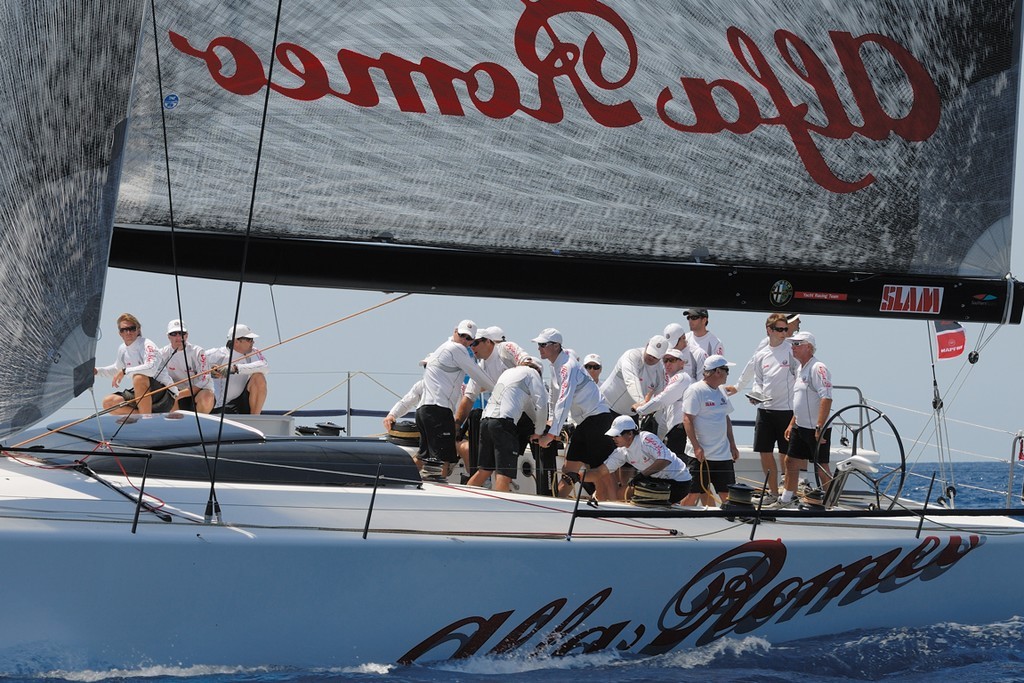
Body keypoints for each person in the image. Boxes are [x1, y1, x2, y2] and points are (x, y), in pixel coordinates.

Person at [532, 327, 617, 501]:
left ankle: (615, 510)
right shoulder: (556, 363)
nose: (539, 348)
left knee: (604, 473)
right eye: (538, 344)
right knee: (568, 470)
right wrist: (549, 421)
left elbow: (564, 401)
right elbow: (553, 398)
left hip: (599, 420)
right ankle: (556, 510)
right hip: (585, 423)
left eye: (543, 344)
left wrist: (551, 434)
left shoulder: (566, 367)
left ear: (556, 346)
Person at [725, 313, 795, 501]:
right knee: (764, 452)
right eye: (780, 329)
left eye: (785, 329)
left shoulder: (791, 351)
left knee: (786, 455)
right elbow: (757, 379)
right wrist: (752, 393)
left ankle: (788, 495)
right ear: (769, 330)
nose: (784, 333)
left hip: (787, 411)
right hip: (765, 410)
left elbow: (802, 377)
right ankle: (772, 494)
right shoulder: (761, 354)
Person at [417, 320, 495, 477]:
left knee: (424, 457)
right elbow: (477, 374)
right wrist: (500, 390)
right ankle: (439, 493)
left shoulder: (444, 348)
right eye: (462, 336)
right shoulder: (456, 349)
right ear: (455, 332)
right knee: (441, 459)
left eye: (469, 339)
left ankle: (401, 480)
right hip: (438, 410)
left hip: (424, 410)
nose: (465, 341)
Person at [454, 326, 529, 475]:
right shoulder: (480, 368)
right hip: (504, 418)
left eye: (475, 343)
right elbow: (468, 398)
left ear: (489, 342)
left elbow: (527, 363)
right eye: (470, 344)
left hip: (527, 413)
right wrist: (456, 424)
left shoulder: (505, 349)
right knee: (492, 467)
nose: (471, 346)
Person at [466, 357, 548, 492]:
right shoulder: (532, 373)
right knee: (504, 472)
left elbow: (529, 409)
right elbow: (542, 404)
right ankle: (500, 510)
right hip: (503, 423)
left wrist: (538, 425)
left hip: (486, 421)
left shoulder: (509, 373)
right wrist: (540, 432)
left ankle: (465, 500)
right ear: (538, 372)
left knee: (484, 470)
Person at [781, 331, 834, 506]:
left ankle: (831, 501)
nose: (793, 348)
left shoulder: (818, 368)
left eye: (797, 344)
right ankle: (787, 498)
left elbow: (826, 397)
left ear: (809, 347)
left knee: (821, 466)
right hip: (800, 426)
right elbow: (800, 400)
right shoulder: (799, 368)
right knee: (791, 461)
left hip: (815, 428)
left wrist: (820, 427)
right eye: (792, 344)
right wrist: (791, 423)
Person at [591, 415, 693, 504]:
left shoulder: (646, 438)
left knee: (642, 500)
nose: (613, 438)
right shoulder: (621, 451)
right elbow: (600, 472)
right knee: (621, 494)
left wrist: (642, 475)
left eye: (617, 435)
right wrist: (578, 476)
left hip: (679, 482)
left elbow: (665, 460)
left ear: (630, 434)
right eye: (612, 436)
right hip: (655, 480)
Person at [682, 354, 739, 505]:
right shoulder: (695, 390)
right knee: (693, 495)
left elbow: (726, 418)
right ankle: (676, 520)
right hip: (700, 456)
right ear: (718, 372)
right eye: (727, 370)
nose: (728, 374)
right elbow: (687, 419)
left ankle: (727, 524)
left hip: (722, 455)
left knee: (729, 497)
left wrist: (732, 445)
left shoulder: (721, 391)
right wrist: (696, 447)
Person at [95, 313, 174, 414]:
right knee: (108, 402)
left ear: (138, 329)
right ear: (120, 333)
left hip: (164, 395)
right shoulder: (122, 349)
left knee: (139, 378)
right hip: (143, 396)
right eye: (124, 330)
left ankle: (146, 421)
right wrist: (96, 371)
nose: (128, 332)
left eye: (132, 328)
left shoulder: (147, 345)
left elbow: (151, 369)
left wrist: (125, 371)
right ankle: (142, 417)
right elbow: (117, 369)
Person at [633, 348, 693, 459]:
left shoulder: (681, 377)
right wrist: (659, 440)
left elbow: (661, 400)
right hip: (675, 431)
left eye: (672, 360)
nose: (668, 363)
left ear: (682, 363)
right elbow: (666, 415)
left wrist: (641, 409)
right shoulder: (673, 380)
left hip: (681, 431)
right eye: (665, 360)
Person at [600, 335, 669, 424]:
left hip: (631, 414)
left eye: (655, 356)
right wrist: (642, 404)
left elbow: (660, 397)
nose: (651, 357)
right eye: (650, 353)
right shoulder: (631, 355)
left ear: (662, 356)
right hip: (606, 406)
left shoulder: (660, 371)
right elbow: (631, 381)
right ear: (647, 345)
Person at [206, 324, 269, 415]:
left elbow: (265, 366)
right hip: (213, 405)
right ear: (236, 342)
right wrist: (210, 371)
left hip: (239, 403)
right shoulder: (214, 354)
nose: (253, 342)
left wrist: (234, 369)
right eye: (249, 339)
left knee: (259, 377)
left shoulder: (253, 352)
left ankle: (254, 419)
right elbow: (194, 368)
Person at [160, 319, 214, 413]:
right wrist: (174, 393)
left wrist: (180, 394)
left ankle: (199, 426)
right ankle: (176, 425)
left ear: (186, 335)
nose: (178, 337)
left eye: (181, 333)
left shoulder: (198, 352)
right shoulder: (162, 354)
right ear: (168, 336)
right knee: (167, 396)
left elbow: (204, 379)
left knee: (207, 396)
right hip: (173, 393)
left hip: (197, 393)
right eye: (174, 334)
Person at [683, 308, 725, 376]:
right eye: (688, 318)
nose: (690, 320)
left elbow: (718, 370)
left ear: (704, 320)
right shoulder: (684, 338)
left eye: (694, 317)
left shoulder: (716, 343)